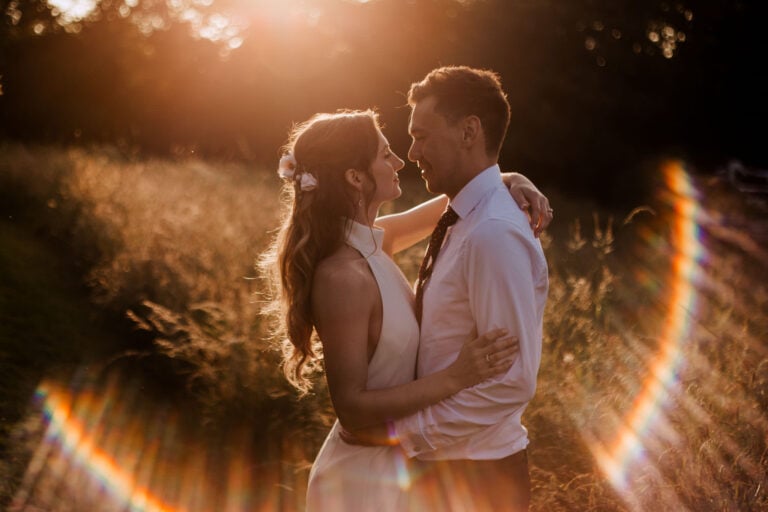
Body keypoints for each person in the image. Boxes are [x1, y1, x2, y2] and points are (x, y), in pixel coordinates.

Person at [259, 109, 551, 511]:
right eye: (385, 154)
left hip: (401, 464)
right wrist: (456, 377)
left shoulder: (379, 241)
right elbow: (351, 408)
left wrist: (508, 179)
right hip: (363, 477)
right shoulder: (343, 277)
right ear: (355, 177)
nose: (400, 161)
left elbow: (464, 199)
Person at [379, 65, 549, 511]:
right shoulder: (464, 215)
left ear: (469, 131)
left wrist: (408, 434)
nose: (412, 152)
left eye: (422, 135)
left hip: (477, 476)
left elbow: (511, 381)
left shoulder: (492, 231)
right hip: (446, 468)